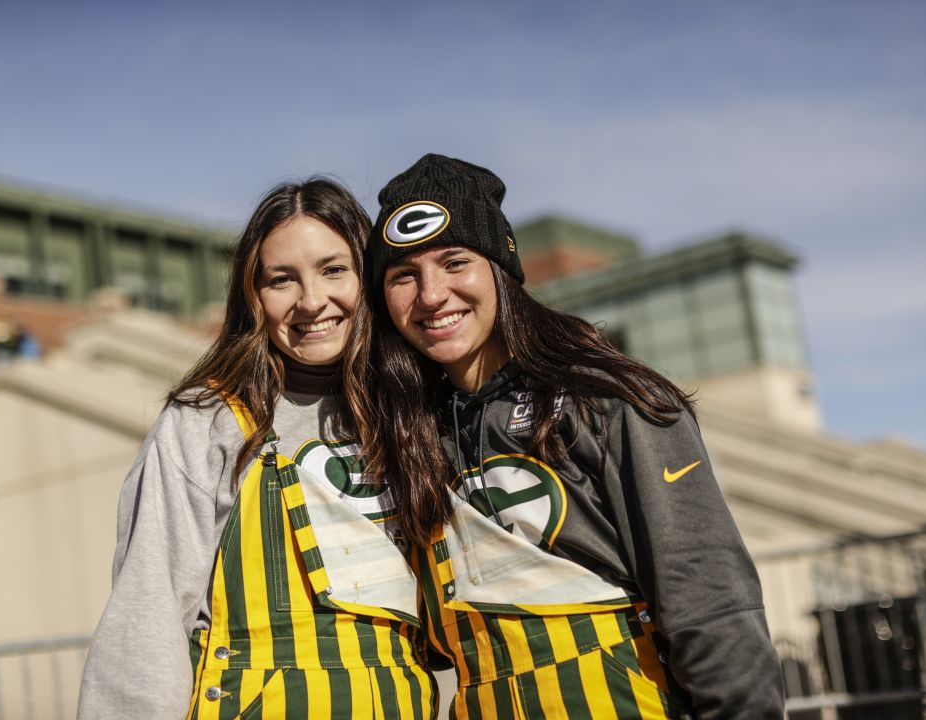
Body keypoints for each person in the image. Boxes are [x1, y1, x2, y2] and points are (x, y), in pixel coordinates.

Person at [361, 154, 784, 719]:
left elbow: (709, 602)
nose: (432, 294)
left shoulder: (608, 401)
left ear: (501, 271)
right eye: (403, 276)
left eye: (455, 262)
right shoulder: (411, 434)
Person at [79, 179, 437, 720]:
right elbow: (146, 618)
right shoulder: (207, 421)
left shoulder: (413, 415)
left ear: (370, 280)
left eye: (333, 269)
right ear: (254, 297)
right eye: (281, 280)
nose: (311, 301)